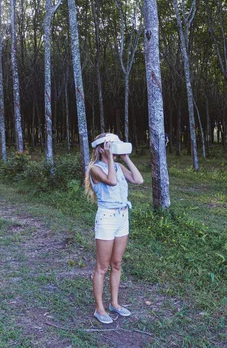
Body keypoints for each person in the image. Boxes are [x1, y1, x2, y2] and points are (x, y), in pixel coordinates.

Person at [84, 133, 144, 324]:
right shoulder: (95, 169)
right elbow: (111, 181)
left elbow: (138, 180)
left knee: (117, 263)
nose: (115, 148)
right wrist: (110, 158)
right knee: (102, 267)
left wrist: (125, 157)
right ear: (102, 148)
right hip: (107, 218)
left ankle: (115, 304)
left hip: (122, 216)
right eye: (112, 145)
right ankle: (99, 309)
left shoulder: (118, 166)